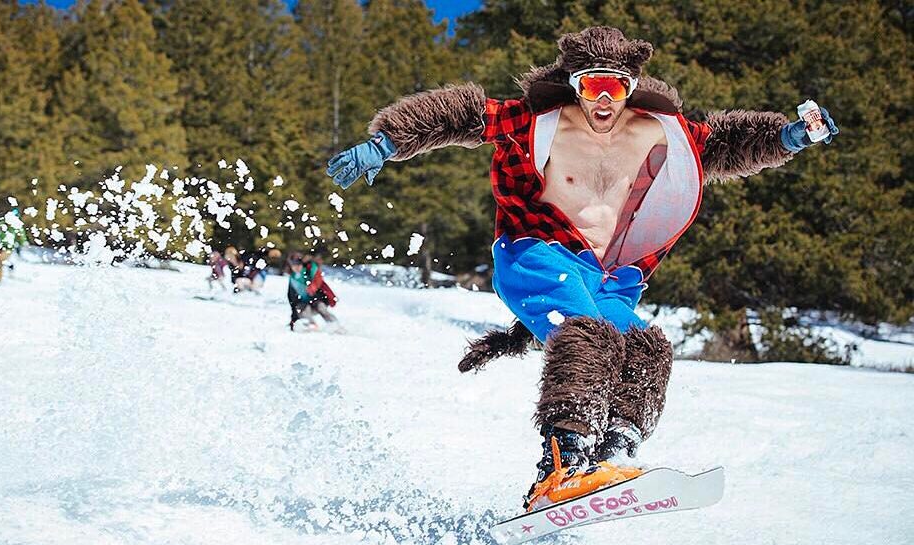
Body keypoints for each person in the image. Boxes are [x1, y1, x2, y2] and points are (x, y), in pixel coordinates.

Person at [326, 26, 838, 511]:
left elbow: (724, 142)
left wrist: (791, 136)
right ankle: (562, 465)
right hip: (537, 252)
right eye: (592, 86)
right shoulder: (539, 121)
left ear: (630, 88)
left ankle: (608, 455)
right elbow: (462, 114)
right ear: (575, 85)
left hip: (609, 273)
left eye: (615, 87)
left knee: (645, 348)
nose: (603, 101)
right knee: (588, 336)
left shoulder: (656, 130)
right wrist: (387, 142)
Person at [286, 252, 339, 331]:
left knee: (321, 308)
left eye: (298, 265)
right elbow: (292, 298)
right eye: (294, 265)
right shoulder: (292, 278)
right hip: (303, 305)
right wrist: (293, 319)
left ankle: (335, 324)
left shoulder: (308, 271)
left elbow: (317, 281)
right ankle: (311, 324)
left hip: (316, 300)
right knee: (303, 309)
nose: (296, 267)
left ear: (302, 265)